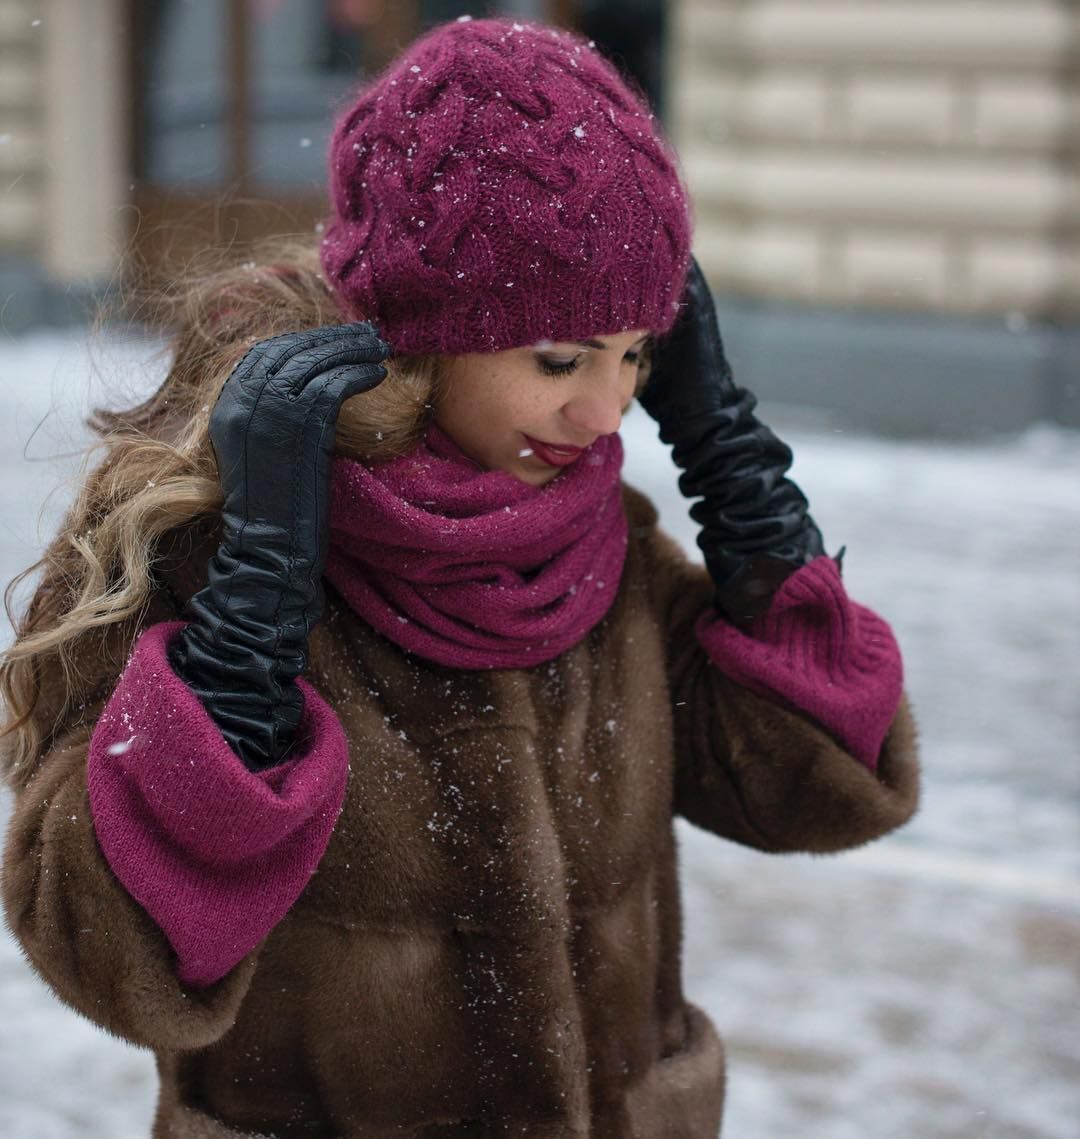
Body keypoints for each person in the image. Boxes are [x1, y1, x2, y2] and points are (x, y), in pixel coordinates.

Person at [0, 17, 919, 1138]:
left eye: (636, 351)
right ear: (422, 337)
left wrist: (735, 469)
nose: (605, 408)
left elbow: (813, 783)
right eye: (559, 357)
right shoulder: (214, 541)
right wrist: (250, 621)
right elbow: (112, 955)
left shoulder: (604, 549)